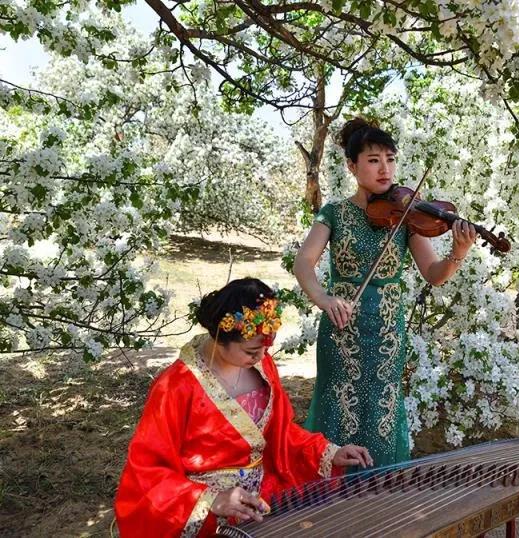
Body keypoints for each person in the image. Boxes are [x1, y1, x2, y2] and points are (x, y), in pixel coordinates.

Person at [114, 278, 372, 537]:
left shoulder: (261, 366)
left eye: (264, 348)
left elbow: (281, 434)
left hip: (261, 501)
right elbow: (148, 468)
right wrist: (209, 500)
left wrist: (328, 452)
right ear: (220, 338)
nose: (260, 357)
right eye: (250, 351)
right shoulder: (176, 386)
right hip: (205, 514)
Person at [293, 117, 477, 468]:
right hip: (341, 329)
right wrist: (324, 299)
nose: (385, 169)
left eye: (390, 159)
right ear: (352, 165)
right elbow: (304, 263)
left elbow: (434, 274)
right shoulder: (334, 212)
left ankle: (378, 494)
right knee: (338, 404)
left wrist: (459, 253)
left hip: (388, 331)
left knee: (383, 405)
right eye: (374, 160)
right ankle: (330, 495)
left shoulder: (406, 215)